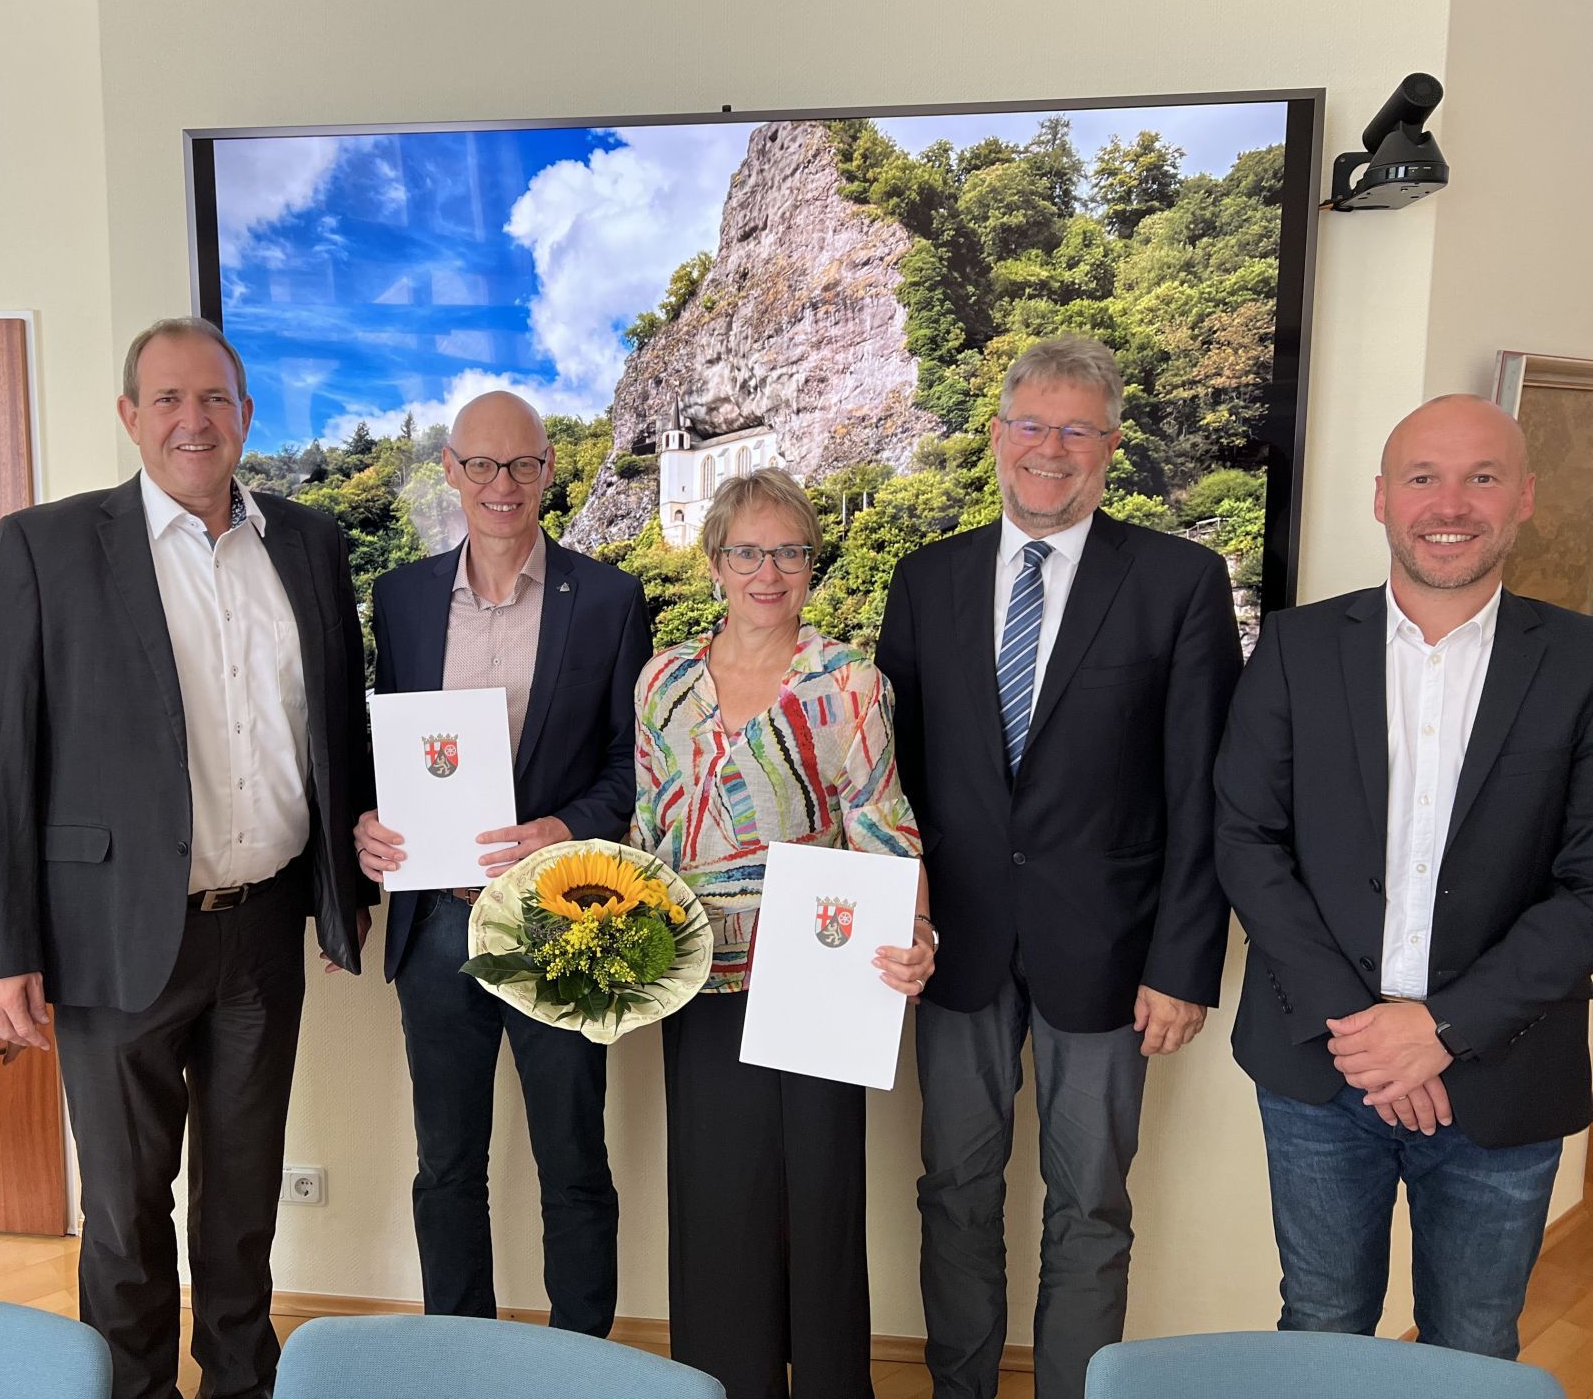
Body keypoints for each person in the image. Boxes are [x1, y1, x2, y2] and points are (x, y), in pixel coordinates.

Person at [0, 317, 374, 1399]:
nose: (195, 420)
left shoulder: (310, 543)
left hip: (264, 929)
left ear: (246, 414)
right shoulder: (46, 545)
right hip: (113, 938)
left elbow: (337, 726)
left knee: (243, 1202)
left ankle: (242, 1384)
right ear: (130, 416)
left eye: (216, 398)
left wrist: (347, 884)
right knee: (126, 1212)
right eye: (170, 399)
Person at [880, 334, 1243, 1399]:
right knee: (953, 1190)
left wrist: (1182, 964)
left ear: (1111, 446)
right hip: (955, 949)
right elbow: (888, 780)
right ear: (998, 436)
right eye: (1032, 425)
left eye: (1077, 430)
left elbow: (1203, 791)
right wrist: (899, 921)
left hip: (1114, 954)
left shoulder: (1178, 581)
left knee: (1092, 1203)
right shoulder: (926, 578)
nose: (1051, 448)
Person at [1216, 394, 1593, 1358]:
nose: (1449, 504)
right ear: (1383, 497)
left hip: (1505, 1072)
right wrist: (1366, 1033)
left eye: (1481, 478)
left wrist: (1440, 1029)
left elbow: (1590, 887)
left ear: (1524, 497)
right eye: (1423, 478)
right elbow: (1248, 840)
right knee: (1319, 1331)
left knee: (1474, 1347)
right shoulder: (1296, 648)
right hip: (1319, 1067)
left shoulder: (1583, 663)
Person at [631, 466, 936, 1399]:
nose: (769, 573)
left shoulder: (849, 682)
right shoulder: (664, 681)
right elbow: (648, 830)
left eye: (790, 552)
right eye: (749, 553)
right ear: (715, 562)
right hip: (697, 974)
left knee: (820, 1202)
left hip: (822, 978)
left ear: (811, 564)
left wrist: (917, 929)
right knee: (718, 1205)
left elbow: (883, 823)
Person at [352, 391, 650, 1337]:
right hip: (436, 924)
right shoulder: (401, 599)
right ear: (451, 470)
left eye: (521, 464)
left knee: (574, 1163)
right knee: (446, 1167)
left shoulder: (608, 599)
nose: (501, 484)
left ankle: (583, 1366)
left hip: (561, 917)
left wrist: (565, 825)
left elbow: (629, 762)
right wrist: (368, 820)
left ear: (549, 471)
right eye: (480, 464)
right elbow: (385, 747)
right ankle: (459, 1358)